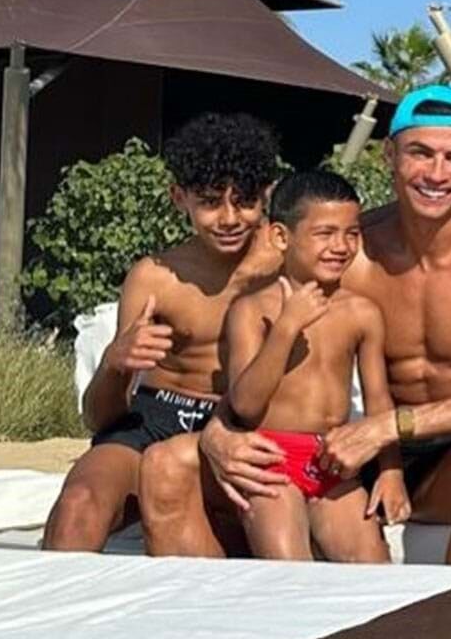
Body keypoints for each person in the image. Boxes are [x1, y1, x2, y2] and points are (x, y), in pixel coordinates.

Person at [138, 84, 451, 569]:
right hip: (347, 456)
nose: (437, 174)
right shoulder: (344, 248)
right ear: (389, 155)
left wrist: (387, 427)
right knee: (167, 462)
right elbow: (243, 332)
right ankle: (209, 612)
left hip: (450, 460)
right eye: (420, 153)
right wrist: (218, 432)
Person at [42, 113, 281, 551]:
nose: (229, 218)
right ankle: (50, 597)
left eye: (244, 201)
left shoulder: (289, 267)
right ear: (179, 197)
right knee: (78, 505)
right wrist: (114, 363)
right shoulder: (154, 277)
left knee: (228, 531)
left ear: (266, 194)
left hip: (239, 424)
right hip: (154, 418)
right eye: (210, 202)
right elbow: (98, 419)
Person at [225, 170, 402, 561]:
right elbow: (245, 405)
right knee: (291, 571)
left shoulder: (361, 312)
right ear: (280, 237)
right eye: (325, 233)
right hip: (270, 460)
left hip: (333, 463)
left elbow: (378, 401)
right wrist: (286, 328)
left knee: (372, 571)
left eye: (352, 233)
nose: (341, 246)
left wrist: (391, 471)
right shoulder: (252, 309)